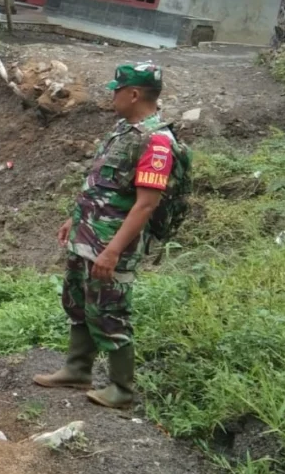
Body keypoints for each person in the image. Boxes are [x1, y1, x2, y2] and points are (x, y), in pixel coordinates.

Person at [33, 64, 174, 409]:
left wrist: (112, 251)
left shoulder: (156, 141)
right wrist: (74, 218)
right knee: (79, 302)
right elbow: (101, 183)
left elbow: (145, 205)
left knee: (111, 311)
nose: (112, 96)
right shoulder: (124, 130)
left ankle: (122, 390)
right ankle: (77, 369)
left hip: (112, 244)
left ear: (134, 94)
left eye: (117, 90)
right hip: (88, 234)